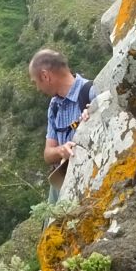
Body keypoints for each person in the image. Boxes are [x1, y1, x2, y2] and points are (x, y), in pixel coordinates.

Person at [28, 48, 95, 203]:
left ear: (45, 76)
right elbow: (48, 154)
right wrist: (61, 150)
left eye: (36, 82)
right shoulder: (54, 106)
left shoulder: (91, 93)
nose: (38, 88)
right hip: (61, 184)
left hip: (89, 184)